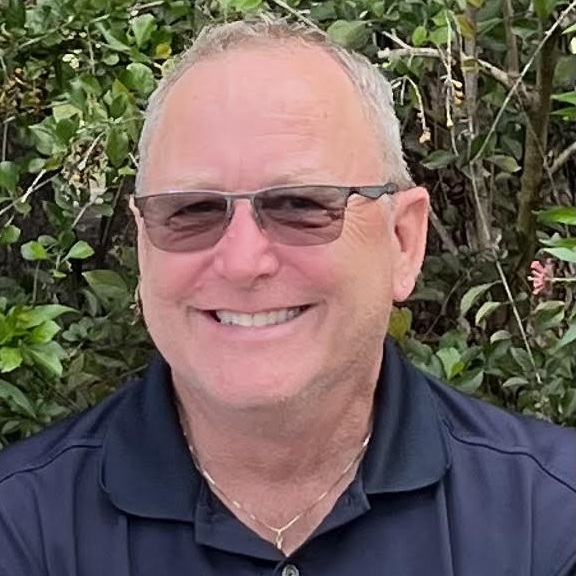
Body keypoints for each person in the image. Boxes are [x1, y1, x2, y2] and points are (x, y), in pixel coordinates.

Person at [0, 17, 575, 576]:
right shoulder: (21, 528)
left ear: (403, 242)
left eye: (301, 205)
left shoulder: (552, 519)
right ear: (144, 247)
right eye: (192, 211)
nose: (243, 262)